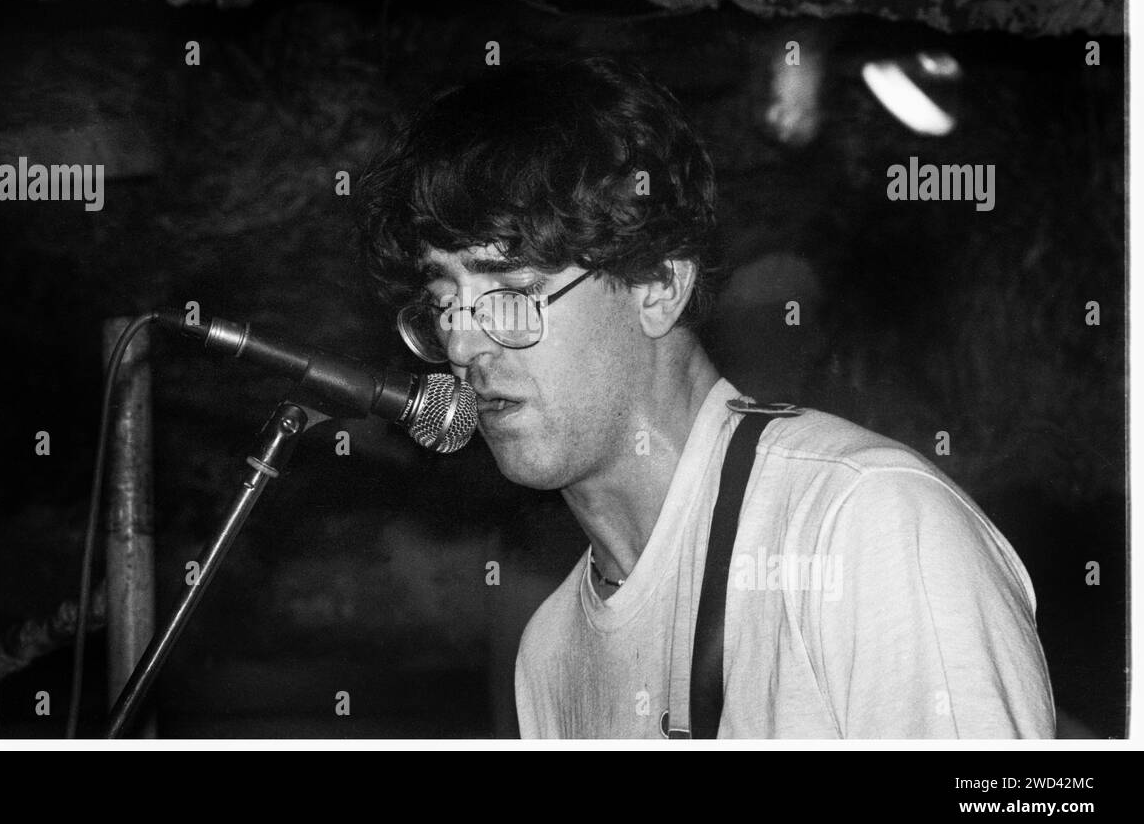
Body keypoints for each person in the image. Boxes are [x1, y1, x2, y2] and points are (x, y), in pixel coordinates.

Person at [359, 54, 1055, 738]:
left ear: (659, 287)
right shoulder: (548, 653)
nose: (460, 345)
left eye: (511, 293)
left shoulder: (865, 521)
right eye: (445, 301)